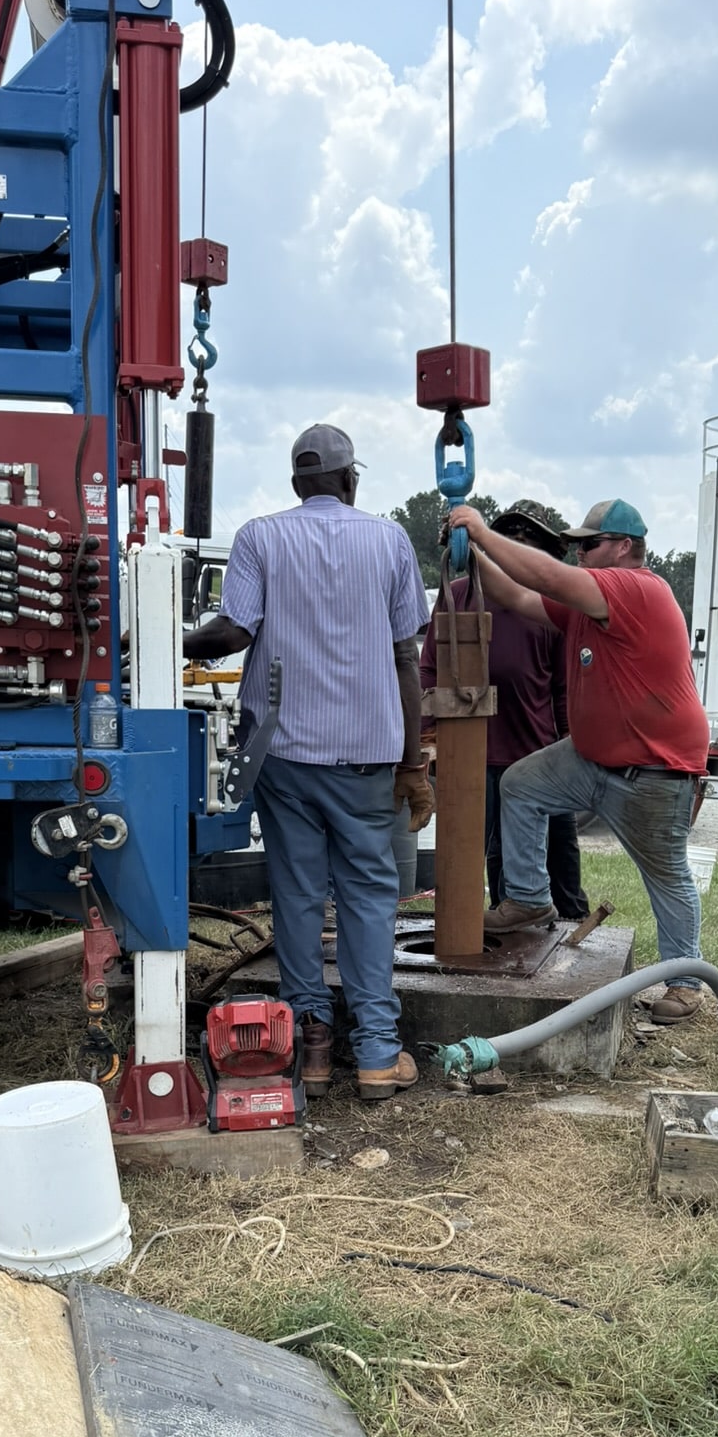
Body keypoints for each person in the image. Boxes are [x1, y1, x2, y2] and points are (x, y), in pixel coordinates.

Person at [182, 424, 433, 1102]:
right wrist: (414, 762)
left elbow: (233, 631)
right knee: (369, 898)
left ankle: (313, 1045)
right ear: (352, 481)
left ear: (297, 483)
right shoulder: (389, 541)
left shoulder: (260, 537)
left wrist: (167, 640)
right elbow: (406, 655)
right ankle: (379, 1051)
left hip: (285, 753)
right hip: (365, 758)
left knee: (296, 895)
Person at [447, 496, 710, 1023]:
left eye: (589, 544)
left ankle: (684, 983)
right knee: (520, 785)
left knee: (666, 877)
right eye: (576, 545)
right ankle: (527, 898)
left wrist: (479, 530)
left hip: (653, 770)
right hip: (592, 758)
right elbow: (520, 597)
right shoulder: (593, 604)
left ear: (625, 547)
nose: (580, 554)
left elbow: (546, 576)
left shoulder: (638, 588)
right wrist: (472, 554)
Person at [420, 500, 589, 921]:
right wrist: (425, 741)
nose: (518, 550)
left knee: (559, 866)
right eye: (509, 540)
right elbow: (429, 669)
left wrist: (575, 751)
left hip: (537, 759)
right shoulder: (458, 595)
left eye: (529, 545)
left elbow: (564, 688)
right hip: (469, 757)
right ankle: (498, 940)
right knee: (488, 866)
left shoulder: (551, 605)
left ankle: (573, 951)